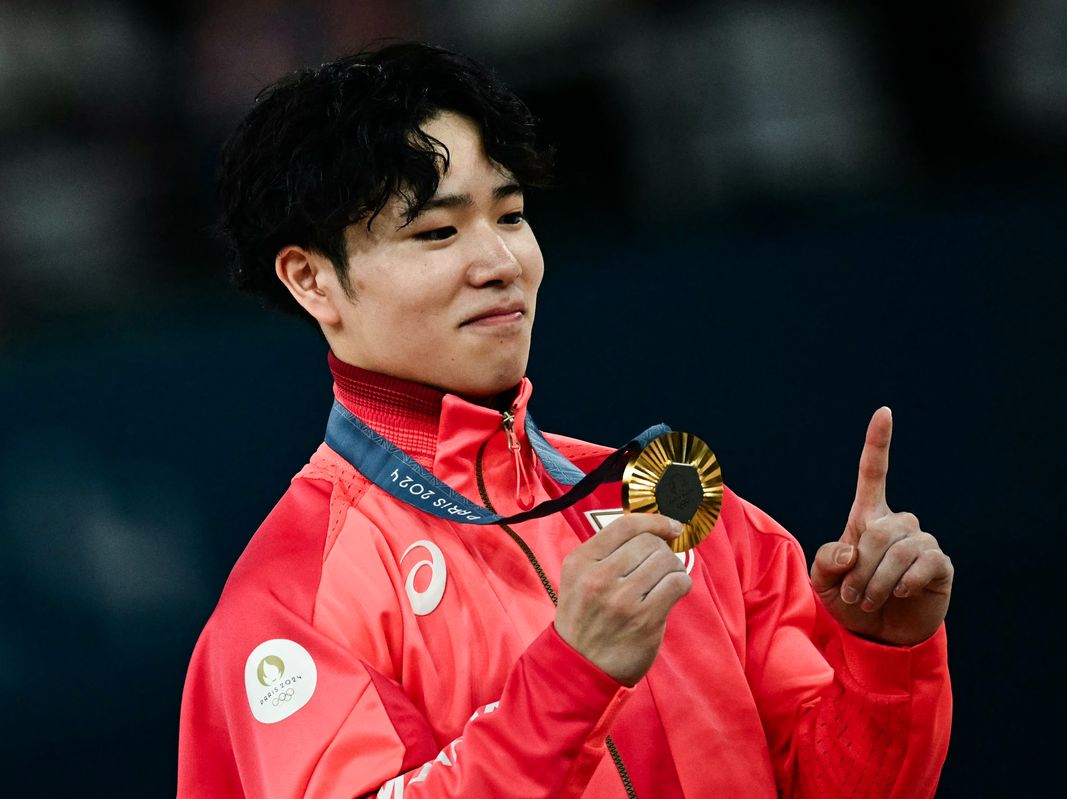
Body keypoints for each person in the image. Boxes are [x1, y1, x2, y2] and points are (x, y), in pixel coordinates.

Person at [178, 42, 953, 798]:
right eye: (438, 232)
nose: (500, 262)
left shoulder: (672, 508)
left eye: (510, 215)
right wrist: (572, 675)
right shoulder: (290, 602)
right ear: (312, 279)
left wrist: (885, 657)